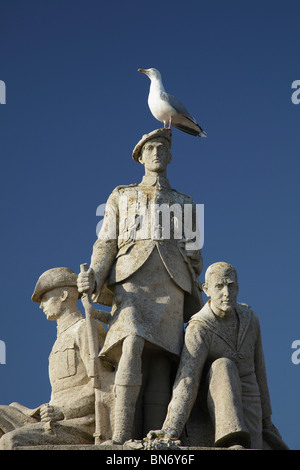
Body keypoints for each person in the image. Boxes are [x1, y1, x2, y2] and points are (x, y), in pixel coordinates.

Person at [77, 128, 203, 444]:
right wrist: (93, 274)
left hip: (172, 282)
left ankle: (154, 437)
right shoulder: (122, 195)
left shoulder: (185, 201)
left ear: (171, 156)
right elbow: (105, 241)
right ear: (140, 156)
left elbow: (196, 255)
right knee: (131, 342)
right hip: (131, 280)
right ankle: (120, 435)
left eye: (162, 147)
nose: (157, 152)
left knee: (161, 359)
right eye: (151, 148)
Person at [148, 262, 288, 449]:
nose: (226, 293)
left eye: (231, 286)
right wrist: (170, 428)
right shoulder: (199, 327)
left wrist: (267, 421)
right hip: (212, 399)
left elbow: (260, 373)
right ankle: (232, 440)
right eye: (219, 286)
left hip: (249, 398)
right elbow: (187, 380)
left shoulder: (250, 319)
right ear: (206, 289)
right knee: (223, 365)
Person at [0, 267, 106, 450]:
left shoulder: (85, 329)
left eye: (45, 298)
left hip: (77, 422)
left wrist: (63, 411)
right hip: (49, 417)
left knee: (11, 442)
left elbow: (102, 383)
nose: (41, 305)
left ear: (64, 295)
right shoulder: (59, 340)